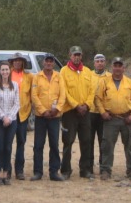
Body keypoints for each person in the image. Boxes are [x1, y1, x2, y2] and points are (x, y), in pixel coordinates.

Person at [96, 57, 131, 179]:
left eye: (120, 66)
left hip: (127, 119)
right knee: (107, 145)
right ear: (112, 67)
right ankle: (105, 170)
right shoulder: (104, 82)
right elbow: (98, 99)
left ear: (123, 68)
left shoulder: (130, 83)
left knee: (129, 145)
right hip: (111, 119)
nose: (117, 68)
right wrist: (102, 112)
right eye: (115, 65)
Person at [60, 46, 97, 180]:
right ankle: (65, 170)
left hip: (85, 112)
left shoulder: (87, 72)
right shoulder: (63, 71)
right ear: (70, 55)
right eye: (74, 54)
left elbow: (92, 90)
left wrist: (86, 105)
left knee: (86, 140)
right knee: (68, 141)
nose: (77, 57)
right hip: (70, 112)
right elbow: (64, 91)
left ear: (81, 56)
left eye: (79, 55)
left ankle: (85, 170)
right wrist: (76, 105)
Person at [29, 53, 64, 180]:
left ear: (53, 63)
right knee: (38, 144)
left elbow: (62, 95)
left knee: (54, 144)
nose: (49, 63)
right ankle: (38, 172)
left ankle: (54, 172)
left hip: (55, 117)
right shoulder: (37, 77)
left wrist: (57, 109)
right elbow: (34, 96)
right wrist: (43, 111)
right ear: (43, 63)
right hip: (41, 117)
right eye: (47, 61)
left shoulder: (59, 77)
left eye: (51, 61)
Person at [0, 59, 21, 185]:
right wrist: (4, 117)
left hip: (12, 120)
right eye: (2, 69)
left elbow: (17, 103)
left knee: (8, 147)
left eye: (7, 69)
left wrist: (9, 117)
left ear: (10, 71)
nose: (5, 72)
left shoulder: (15, 85)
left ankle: (6, 174)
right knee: (0, 147)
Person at [9, 54, 34, 180]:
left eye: (20, 61)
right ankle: (7, 170)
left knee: (21, 142)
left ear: (23, 63)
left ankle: (19, 170)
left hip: (23, 114)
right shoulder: (7, 74)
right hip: (9, 115)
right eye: (15, 61)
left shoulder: (29, 76)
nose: (17, 63)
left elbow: (32, 94)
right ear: (12, 63)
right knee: (7, 143)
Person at [89, 52, 108, 175]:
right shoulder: (88, 75)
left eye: (102, 61)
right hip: (90, 111)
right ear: (94, 63)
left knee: (104, 141)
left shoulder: (109, 76)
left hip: (104, 113)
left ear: (105, 63)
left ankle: (103, 166)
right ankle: (88, 166)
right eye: (97, 61)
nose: (100, 63)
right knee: (88, 141)